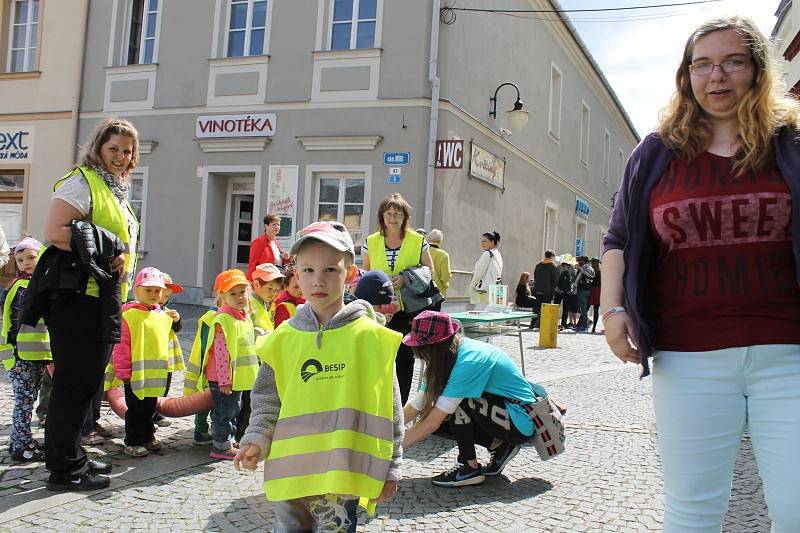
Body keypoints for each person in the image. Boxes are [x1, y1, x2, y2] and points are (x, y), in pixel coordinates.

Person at [602, 17, 800, 532]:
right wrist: (613, 309)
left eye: (733, 61)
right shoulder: (656, 153)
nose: (718, 77)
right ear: (685, 76)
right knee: (693, 509)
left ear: (757, 71)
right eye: (702, 65)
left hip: (790, 351)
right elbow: (619, 239)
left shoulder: (792, 145)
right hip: (688, 353)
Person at [235, 221, 403, 532]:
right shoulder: (282, 339)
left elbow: (391, 407)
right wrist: (256, 439)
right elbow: (267, 400)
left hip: (341, 476)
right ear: (295, 275)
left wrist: (391, 467)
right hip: (292, 474)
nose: (318, 280)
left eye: (330, 270)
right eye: (309, 271)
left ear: (350, 274)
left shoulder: (371, 338)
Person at [42, 117, 140, 491]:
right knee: (72, 384)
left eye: (128, 151)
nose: (121, 156)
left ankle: (72, 459)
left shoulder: (115, 189)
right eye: (113, 148)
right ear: (98, 147)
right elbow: (54, 232)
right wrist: (109, 247)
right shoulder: (82, 181)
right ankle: (63, 470)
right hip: (78, 298)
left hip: (103, 298)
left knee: (85, 386)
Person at [402, 310, 540, 487]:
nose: (419, 356)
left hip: (521, 421)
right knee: (440, 406)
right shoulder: (446, 357)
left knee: (452, 405)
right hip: (502, 413)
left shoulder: (469, 361)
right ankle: (500, 446)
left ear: (433, 348)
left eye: (421, 351)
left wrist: (391, 450)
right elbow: (417, 404)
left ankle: (469, 467)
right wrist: (386, 431)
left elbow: (432, 422)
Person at [362, 193, 435, 404]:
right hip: (378, 308)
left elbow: (429, 270)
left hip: (408, 307)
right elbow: (366, 272)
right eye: (389, 213)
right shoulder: (371, 241)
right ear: (382, 216)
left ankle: (400, 405)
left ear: (405, 217)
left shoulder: (417, 240)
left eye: (398, 214)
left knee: (404, 356)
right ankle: (379, 400)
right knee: (379, 355)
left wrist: (406, 277)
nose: (393, 218)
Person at [106, 267, 173, 458]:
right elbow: (122, 345)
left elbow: (168, 335)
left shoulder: (161, 315)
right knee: (136, 409)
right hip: (135, 373)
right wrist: (123, 371)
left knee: (150, 408)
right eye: (148, 290)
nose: (154, 294)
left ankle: (147, 436)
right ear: (136, 291)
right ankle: (133, 441)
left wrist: (176, 322)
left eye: (157, 291)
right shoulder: (129, 315)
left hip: (154, 374)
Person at [0, 237, 50, 462]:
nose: (26, 262)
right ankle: (22, 447)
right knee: (24, 402)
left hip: (31, 354)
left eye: (31, 257)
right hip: (22, 356)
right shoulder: (24, 288)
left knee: (26, 399)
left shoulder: (30, 284)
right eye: (20, 260)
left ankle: (19, 441)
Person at [206, 269, 259, 459]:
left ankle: (228, 440)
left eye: (242, 292)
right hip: (223, 379)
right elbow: (221, 354)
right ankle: (220, 446)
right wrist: (224, 380)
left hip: (237, 378)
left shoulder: (243, 317)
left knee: (233, 409)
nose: (239, 297)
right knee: (224, 412)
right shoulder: (223, 320)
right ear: (222, 296)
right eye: (233, 293)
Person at [235, 262, 285, 443]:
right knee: (247, 402)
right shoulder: (250, 303)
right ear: (256, 284)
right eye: (270, 288)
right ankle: (240, 436)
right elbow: (249, 328)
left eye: (276, 289)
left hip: (259, 357)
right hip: (250, 359)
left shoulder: (263, 302)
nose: (274, 293)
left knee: (251, 401)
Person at [183, 300, 220, 446]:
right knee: (204, 401)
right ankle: (200, 430)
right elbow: (205, 346)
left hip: (220, 369)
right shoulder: (210, 318)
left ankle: (209, 430)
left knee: (216, 402)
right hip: (209, 368)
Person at [152, 273, 184, 429]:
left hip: (167, 357)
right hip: (152, 358)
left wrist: (177, 320)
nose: (163, 298)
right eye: (162, 293)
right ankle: (149, 414)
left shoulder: (167, 310)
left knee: (165, 386)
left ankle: (158, 413)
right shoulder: (146, 311)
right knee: (151, 387)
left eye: (167, 295)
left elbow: (177, 329)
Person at [246, 214, 290, 280]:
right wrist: (251, 281)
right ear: (266, 226)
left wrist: (286, 258)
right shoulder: (259, 241)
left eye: (278, 225)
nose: (277, 227)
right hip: (264, 279)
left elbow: (281, 262)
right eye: (273, 224)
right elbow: (253, 263)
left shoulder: (277, 243)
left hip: (278, 277)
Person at [469, 231, 503, 307]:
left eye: (484, 241)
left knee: (482, 313)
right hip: (496, 289)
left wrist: (472, 286)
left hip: (485, 290)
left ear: (492, 242)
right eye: (481, 242)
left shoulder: (488, 254)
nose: (482, 244)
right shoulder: (498, 254)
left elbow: (478, 272)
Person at [531, 251, 560, 328]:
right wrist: (553, 289)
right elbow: (555, 280)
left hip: (538, 290)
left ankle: (532, 323)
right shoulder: (553, 267)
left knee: (536, 308)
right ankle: (541, 324)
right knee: (545, 309)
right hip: (548, 291)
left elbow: (535, 276)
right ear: (551, 257)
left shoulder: (538, 265)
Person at [427, 229, 451, 299]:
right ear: (440, 240)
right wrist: (445, 285)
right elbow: (446, 274)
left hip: (422, 288)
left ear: (428, 238)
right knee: (435, 310)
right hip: (437, 291)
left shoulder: (423, 251)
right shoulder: (444, 255)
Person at [573, 256, 594, 332]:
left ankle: (585, 325)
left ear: (583, 261)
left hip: (581, 290)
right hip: (589, 290)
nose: (578, 262)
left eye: (579, 261)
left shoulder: (581, 269)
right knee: (584, 309)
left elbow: (577, 280)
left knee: (583, 309)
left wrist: (574, 287)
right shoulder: (591, 268)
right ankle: (584, 323)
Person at [554, 259, 576, 329]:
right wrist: (570, 288)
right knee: (565, 308)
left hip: (558, 291)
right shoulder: (572, 268)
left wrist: (557, 287)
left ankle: (554, 322)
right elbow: (573, 279)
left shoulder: (558, 267)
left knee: (555, 307)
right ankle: (564, 323)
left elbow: (555, 278)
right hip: (567, 292)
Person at [588, 258, 601, 333]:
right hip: (598, 291)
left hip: (592, 290)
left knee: (586, 308)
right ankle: (594, 327)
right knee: (596, 310)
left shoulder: (592, 272)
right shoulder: (600, 272)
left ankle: (583, 324)